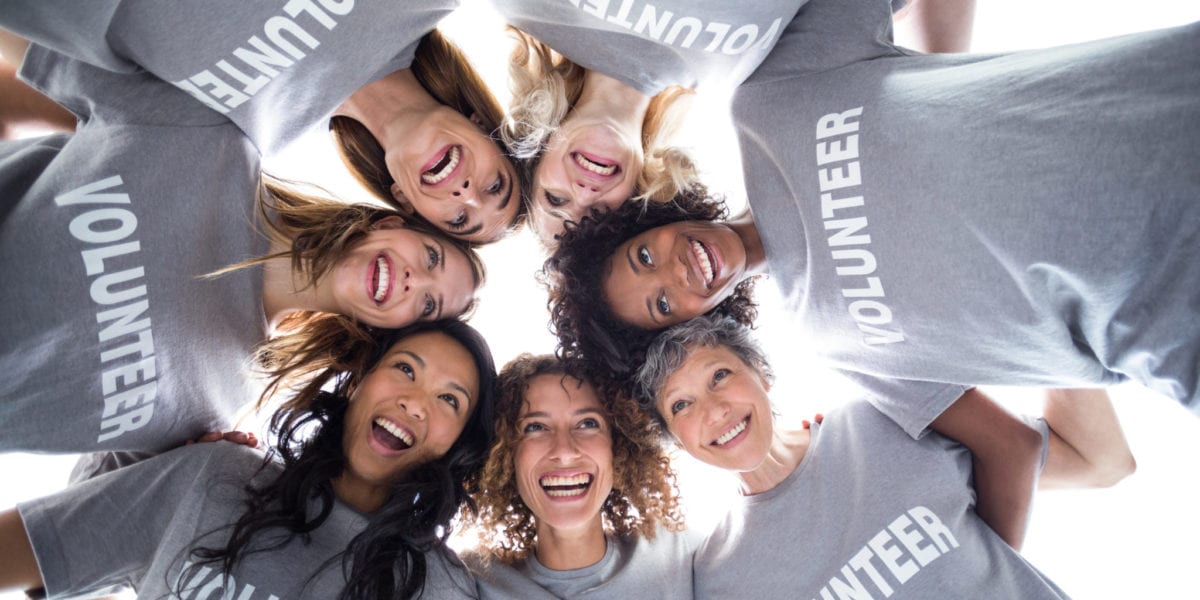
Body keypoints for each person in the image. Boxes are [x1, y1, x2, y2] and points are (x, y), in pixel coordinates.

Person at [545, 0, 1200, 424]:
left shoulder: (766, 100)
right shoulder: (828, 345)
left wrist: (952, 95)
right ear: (686, 328)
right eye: (662, 303)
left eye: (644, 255)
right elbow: (1011, 450)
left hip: (1168, 104)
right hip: (1171, 329)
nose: (677, 271)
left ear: (648, 221)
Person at [0, 32, 482, 457]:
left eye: (426, 304)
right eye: (431, 258)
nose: (414, 281)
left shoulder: (220, 406)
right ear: (390, 223)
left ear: (390, 332)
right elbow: (33, 43)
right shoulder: (208, 135)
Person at [634, 314, 1135, 598]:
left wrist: (1039, 313)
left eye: (719, 375)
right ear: (677, 440)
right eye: (681, 405)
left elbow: (1102, 461)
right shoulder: (722, 579)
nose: (714, 410)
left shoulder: (881, 421)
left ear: (761, 374)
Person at [0, 319, 496, 600]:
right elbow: (30, 559)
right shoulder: (215, 475)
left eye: (450, 400)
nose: (415, 401)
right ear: (359, 380)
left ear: (458, 446)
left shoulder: (441, 588)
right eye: (405, 369)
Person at [0, 3, 524, 243]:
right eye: (493, 185)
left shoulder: (253, 143)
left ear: (406, 202)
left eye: (458, 219)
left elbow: (59, 65)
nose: (465, 194)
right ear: (482, 122)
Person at [462, 354, 694, 599]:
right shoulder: (471, 580)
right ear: (506, 455)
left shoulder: (680, 554)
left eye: (587, 423)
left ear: (619, 446)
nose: (564, 452)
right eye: (535, 427)